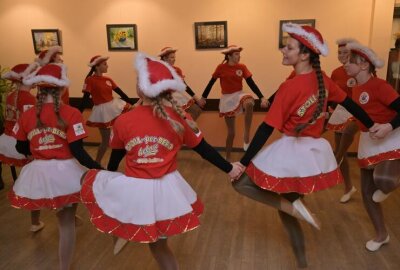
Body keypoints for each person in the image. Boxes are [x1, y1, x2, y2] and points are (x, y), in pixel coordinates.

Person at [231, 23, 376, 268]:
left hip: (290, 153)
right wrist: (371, 124)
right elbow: (351, 106)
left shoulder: (289, 87)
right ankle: (301, 261)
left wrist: (242, 163)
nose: (283, 50)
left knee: (241, 183)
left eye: (289, 47)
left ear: (305, 54)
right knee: (289, 208)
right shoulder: (325, 82)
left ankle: (292, 213)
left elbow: (266, 128)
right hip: (312, 154)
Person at [80, 53, 242, 269]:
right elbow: (204, 150)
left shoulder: (123, 120)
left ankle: (123, 232)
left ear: (141, 88)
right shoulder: (181, 117)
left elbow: (115, 159)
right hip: (168, 191)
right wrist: (229, 168)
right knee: (159, 246)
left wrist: (111, 180)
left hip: (137, 187)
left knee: (136, 227)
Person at [9, 63, 102, 270]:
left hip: (40, 170)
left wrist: (39, 148)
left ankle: (58, 215)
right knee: (66, 223)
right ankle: (64, 267)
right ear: (62, 88)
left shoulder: (27, 115)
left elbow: (20, 146)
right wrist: (99, 168)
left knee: (58, 204)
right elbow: (78, 152)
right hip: (66, 172)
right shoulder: (71, 114)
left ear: (39, 90)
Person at [344, 42, 400, 251]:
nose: (345, 65)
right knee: (368, 193)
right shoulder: (355, 87)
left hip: (391, 136)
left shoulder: (380, 86)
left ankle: (388, 187)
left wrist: (388, 126)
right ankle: (381, 235)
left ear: (365, 65)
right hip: (370, 140)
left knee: (383, 180)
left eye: (351, 61)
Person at [200, 45, 269, 160]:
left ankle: (246, 136)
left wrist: (262, 97)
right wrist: (203, 97)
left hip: (239, 94)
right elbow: (211, 83)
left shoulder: (242, 67)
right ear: (229, 56)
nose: (239, 56)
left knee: (249, 102)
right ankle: (227, 157)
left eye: (239, 54)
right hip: (227, 99)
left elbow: (251, 83)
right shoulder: (220, 68)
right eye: (236, 54)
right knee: (231, 133)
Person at [79, 55, 132, 164]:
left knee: (125, 132)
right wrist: (78, 112)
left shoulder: (108, 79)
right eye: (105, 64)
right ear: (97, 66)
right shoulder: (90, 80)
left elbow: (121, 93)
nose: (107, 66)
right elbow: (85, 98)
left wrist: (132, 103)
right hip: (102, 112)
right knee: (105, 141)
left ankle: (130, 159)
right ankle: (96, 163)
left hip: (114, 107)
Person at [326, 38, 359, 203]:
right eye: (340, 52)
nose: (342, 55)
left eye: (346, 52)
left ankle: (333, 163)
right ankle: (348, 187)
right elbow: (332, 94)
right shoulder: (336, 72)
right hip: (340, 110)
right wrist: (327, 110)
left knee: (347, 135)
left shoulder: (361, 69)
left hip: (358, 110)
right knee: (341, 150)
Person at [159, 47, 202, 120]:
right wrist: (139, 102)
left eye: (174, 57)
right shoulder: (159, 70)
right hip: (165, 98)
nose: (174, 59)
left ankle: (185, 127)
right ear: (165, 58)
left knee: (196, 110)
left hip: (178, 96)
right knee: (173, 119)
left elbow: (185, 86)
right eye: (172, 57)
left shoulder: (177, 70)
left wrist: (197, 98)